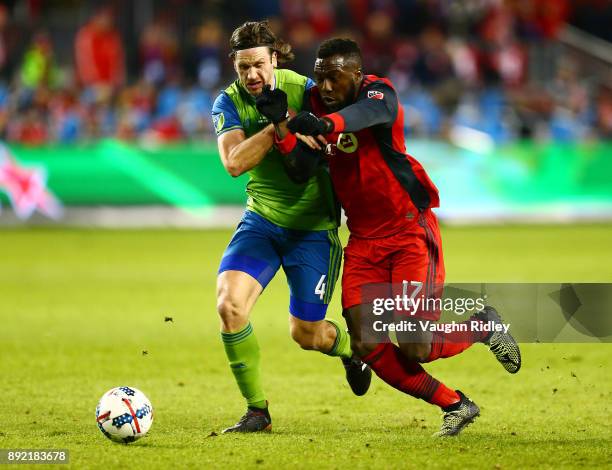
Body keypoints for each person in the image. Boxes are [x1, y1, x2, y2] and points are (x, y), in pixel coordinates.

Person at [260, 38, 521, 437]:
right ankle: (455, 404)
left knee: (416, 345)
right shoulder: (315, 107)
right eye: (320, 79)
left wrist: (325, 125)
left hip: (408, 232)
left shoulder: (378, 91)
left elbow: (372, 113)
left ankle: (483, 326)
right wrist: (282, 127)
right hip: (364, 241)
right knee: (365, 342)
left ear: (356, 75)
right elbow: (300, 168)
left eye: (335, 78)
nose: (326, 88)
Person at [211, 22, 371, 434]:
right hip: (261, 221)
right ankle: (257, 411)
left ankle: (353, 352)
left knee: (306, 334)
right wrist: (275, 126)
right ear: (234, 65)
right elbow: (233, 163)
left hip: (313, 230)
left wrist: (291, 119)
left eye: (259, 65)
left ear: (274, 60)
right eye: (243, 67)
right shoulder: (227, 103)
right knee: (229, 306)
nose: (252, 76)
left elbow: (320, 148)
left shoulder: (307, 91)